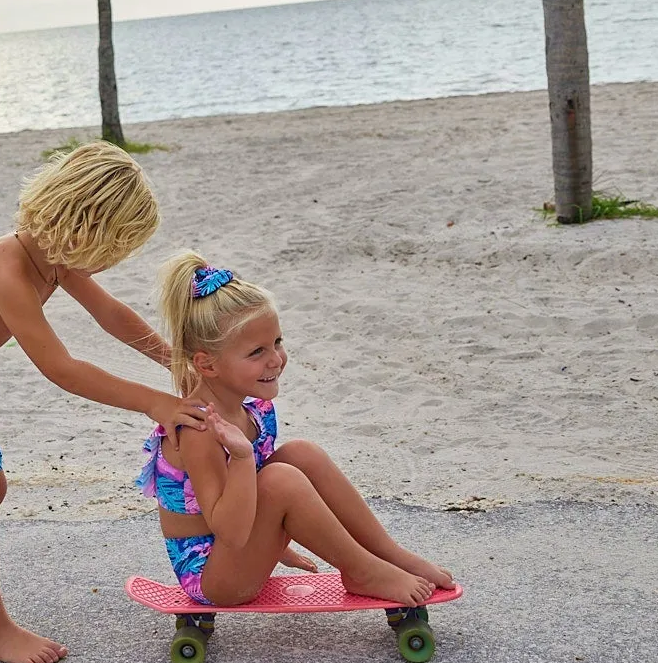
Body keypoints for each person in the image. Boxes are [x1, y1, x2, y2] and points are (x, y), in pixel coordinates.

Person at [0, 142, 209, 663]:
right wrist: (156, 403)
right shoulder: (6, 270)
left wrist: (170, 359)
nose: (106, 265)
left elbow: (112, 315)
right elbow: (61, 368)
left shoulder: (52, 256)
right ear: (84, 230)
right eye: (110, 251)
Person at [137, 252, 455, 607]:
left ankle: (389, 553)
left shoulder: (252, 409)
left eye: (277, 342)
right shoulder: (197, 432)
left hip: (238, 551)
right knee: (282, 479)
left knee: (302, 454)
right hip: (213, 577)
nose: (275, 359)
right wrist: (241, 456)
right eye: (256, 352)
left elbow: (258, 498)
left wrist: (278, 539)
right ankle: (362, 569)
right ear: (207, 365)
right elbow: (231, 529)